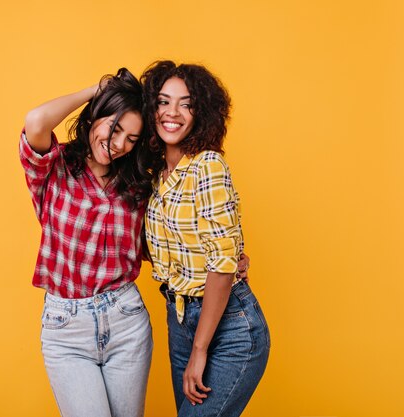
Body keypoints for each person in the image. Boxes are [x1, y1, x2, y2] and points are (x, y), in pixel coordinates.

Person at [20, 68, 153, 417]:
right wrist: (95, 90)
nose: (120, 143)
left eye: (132, 138)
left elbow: (160, 245)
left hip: (126, 321)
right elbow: (35, 121)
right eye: (115, 127)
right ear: (96, 114)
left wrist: (227, 258)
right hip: (67, 329)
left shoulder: (137, 185)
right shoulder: (56, 166)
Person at [141, 60, 270, 417]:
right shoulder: (156, 178)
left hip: (229, 328)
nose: (173, 112)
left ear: (203, 113)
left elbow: (221, 263)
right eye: (164, 102)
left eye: (187, 103)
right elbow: (166, 248)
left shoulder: (207, 166)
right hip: (179, 318)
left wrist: (200, 350)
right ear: (151, 110)